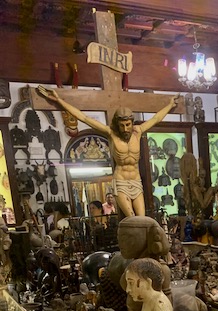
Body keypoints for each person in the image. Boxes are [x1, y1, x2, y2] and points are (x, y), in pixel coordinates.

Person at [38, 86, 178, 217]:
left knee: (142, 219)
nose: (125, 129)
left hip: (136, 181)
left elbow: (156, 118)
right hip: (121, 181)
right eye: (122, 125)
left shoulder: (138, 131)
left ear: (132, 123)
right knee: (132, 218)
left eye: (128, 125)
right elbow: (84, 118)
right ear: (117, 125)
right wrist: (59, 100)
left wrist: (170, 105)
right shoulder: (111, 134)